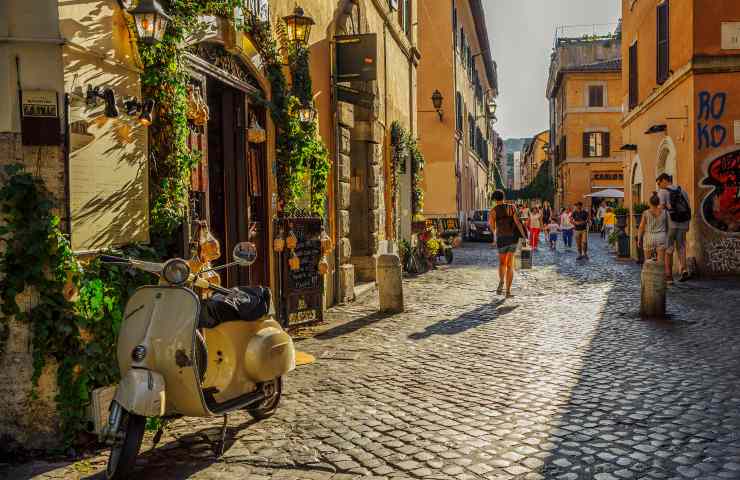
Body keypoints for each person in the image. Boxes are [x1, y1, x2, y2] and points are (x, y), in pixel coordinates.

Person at [489, 190, 527, 298]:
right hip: (512, 239)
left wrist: (494, 239)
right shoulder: (512, 207)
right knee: (510, 265)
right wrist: (524, 236)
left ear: (494, 199)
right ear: (503, 197)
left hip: (501, 239)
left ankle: (501, 281)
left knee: (502, 263)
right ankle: (508, 291)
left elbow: (492, 227)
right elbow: (518, 222)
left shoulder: (493, 211)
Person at [656, 173, 692, 283]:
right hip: (683, 222)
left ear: (664, 180)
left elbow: (661, 209)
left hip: (670, 223)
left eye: (659, 183)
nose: (658, 186)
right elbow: (688, 207)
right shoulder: (682, 191)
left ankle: (669, 276)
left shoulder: (663, 192)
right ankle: (684, 269)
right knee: (681, 246)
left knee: (669, 249)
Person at [638, 192, 668, 262]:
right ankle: (660, 273)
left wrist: (639, 239)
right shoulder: (665, 212)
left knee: (648, 261)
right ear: (658, 202)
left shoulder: (646, 213)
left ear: (650, 203)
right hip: (661, 236)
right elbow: (667, 226)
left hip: (649, 237)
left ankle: (649, 272)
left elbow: (641, 227)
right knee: (661, 262)